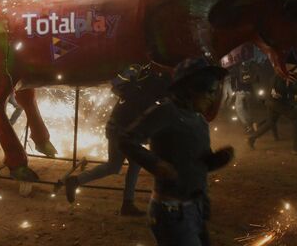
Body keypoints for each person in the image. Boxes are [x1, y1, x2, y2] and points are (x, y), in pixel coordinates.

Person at [120, 57, 234, 246]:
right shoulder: (166, 112)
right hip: (171, 213)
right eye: (210, 91)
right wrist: (156, 164)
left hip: (195, 209)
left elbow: (196, 163)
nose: (213, 98)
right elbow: (126, 140)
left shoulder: (199, 121)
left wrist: (215, 160)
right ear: (191, 89)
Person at [65, 63, 170, 216]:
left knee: (116, 166)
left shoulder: (138, 85)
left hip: (116, 129)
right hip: (122, 132)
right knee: (127, 165)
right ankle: (127, 204)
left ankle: (77, 181)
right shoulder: (151, 93)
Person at [247, 54, 297, 154]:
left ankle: (252, 138)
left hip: (272, 102)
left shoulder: (282, 74)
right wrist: (292, 94)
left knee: (270, 123)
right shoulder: (281, 76)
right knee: (296, 118)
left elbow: (285, 87)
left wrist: (294, 92)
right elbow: (280, 90)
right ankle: (296, 147)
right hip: (276, 102)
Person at [230, 62, 256, 133]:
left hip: (241, 92)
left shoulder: (235, 68)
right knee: (247, 109)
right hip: (250, 92)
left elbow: (232, 80)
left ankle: (248, 126)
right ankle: (252, 123)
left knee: (239, 110)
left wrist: (233, 89)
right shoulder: (249, 65)